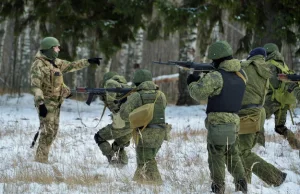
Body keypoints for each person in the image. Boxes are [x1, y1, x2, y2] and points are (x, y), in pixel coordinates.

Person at [187, 40, 247, 194]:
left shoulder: (216, 76)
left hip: (218, 125)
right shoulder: (241, 74)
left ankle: (218, 188)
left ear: (216, 59)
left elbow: (199, 93)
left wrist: (192, 82)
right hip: (234, 123)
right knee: (233, 154)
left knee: (216, 157)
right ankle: (242, 186)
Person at [30, 36, 101, 163]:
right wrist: (41, 104)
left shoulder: (56, 62)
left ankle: (42, 158)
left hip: (57, 103)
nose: (58, 49)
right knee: (47, 131)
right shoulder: (38, 65)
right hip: (46, 103)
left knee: (53, 131)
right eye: (56, 47)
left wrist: (88, 61)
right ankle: (40, 160)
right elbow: (35, 87)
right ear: (49, 49)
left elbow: (72, 65)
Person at [238, 47, 287, 186]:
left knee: (243, 152)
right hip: (259, 113)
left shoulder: (246, 67)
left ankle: (275, 177)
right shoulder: (265, 69)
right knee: (244, 150)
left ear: (250, 56)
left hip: (247, 114)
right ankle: (244, 184)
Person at [120, 69, 170, 185]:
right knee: (144, 160)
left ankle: (158, 185)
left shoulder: (137, 95)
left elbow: (124, 114)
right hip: (161, 133)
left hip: (145, 133)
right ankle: (137, 183)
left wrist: (125, 101)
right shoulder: (161, 94)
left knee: (147, 160)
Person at [258, 43, 300, 149]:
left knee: (258, 119)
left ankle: (260, 146)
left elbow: (271, 85)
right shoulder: (283, 65)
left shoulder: (269, 65)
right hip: (284, 101)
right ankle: (296, 145)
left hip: (273, 100)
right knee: (280, 127)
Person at [94, 72, 133, 164]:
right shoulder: (126, 87)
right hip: (136, 122)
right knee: (119, 144)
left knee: (99, 137)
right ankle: (122, 166)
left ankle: (112, 159)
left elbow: (112, 102)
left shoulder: (110, 83)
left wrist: (115, 111)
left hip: (123, 122)